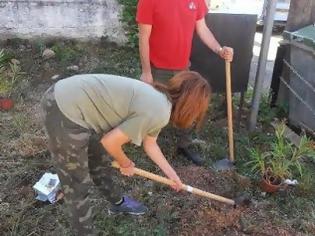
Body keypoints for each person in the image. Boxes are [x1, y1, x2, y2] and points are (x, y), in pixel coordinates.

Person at [41, 71, 211, 235]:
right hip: (63, 108)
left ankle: (117, 202)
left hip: (77, 101)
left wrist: (172, 175)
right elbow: (110, 141)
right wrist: (125, 162)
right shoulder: (158, 110)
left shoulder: (161, 103)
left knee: (99, 159)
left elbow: (150, 144)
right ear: (191, 106)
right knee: (77, 185)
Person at [136, 0, 234, 165]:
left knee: (188, 105)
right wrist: (146, 72)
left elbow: (202, 28)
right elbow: (144, 37)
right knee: (156, 108)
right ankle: (149, 145)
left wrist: (219, 50)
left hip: (183, 67)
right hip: (158, 67)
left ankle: (184, 145)